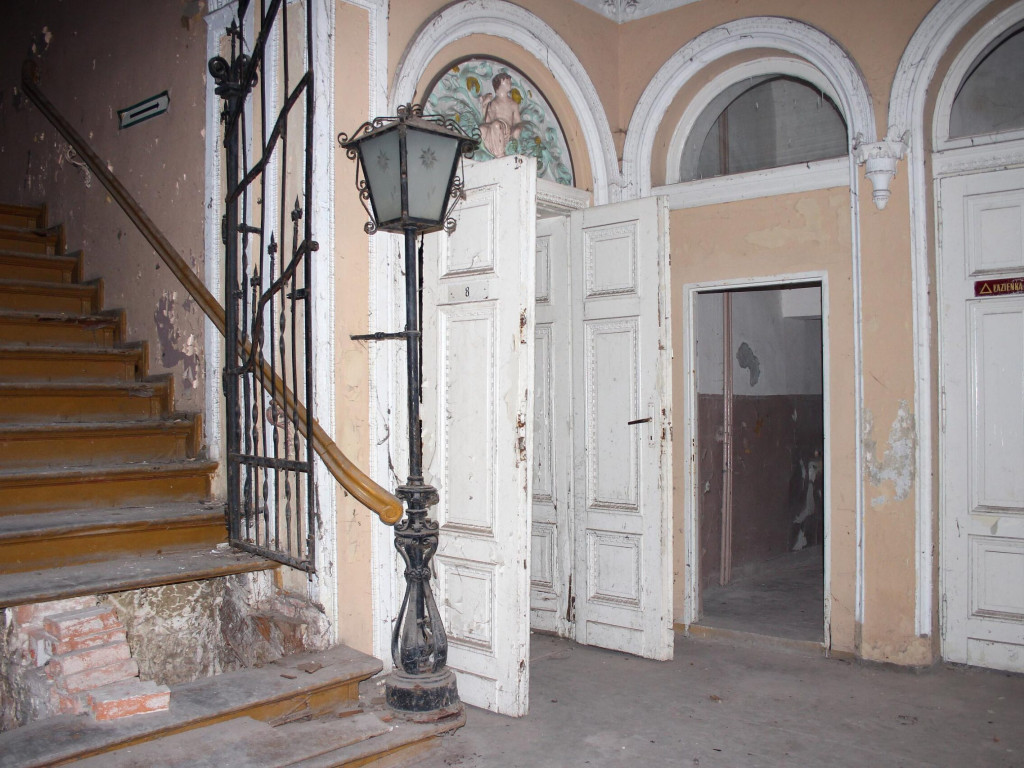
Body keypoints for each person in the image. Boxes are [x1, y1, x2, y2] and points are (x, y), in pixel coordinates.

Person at [479, 72, 522, 158]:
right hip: (495, 129)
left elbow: (518, 122)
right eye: (507, 82)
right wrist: (485, 105)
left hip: (507, 129)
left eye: (510, 82)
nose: (510, 84)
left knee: (496, 125)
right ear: (499, 84)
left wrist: (516, 131)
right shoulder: (493, 103)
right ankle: (493, 151)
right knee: (482, 128)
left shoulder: (513, 104)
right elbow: (487, 121)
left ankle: (500, 154)